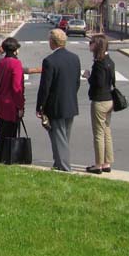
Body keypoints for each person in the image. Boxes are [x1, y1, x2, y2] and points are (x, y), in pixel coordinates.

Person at [35, 28, 81, 171]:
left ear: (52, 42)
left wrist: (40, 106)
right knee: (64, 137)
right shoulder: (75, 58)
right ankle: (58, 162)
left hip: (56, 105)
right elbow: (77, 82)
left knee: (59, 137)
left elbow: (45, 87)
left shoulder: (49, 61)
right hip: (70, 102)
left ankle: (64, 167)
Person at [83, 34, 114, 174]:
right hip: (109, 99)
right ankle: (107, 162)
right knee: (107, 131)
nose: (90, 45)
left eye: (92, 43)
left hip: (100, 100)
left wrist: (88, 76)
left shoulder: (99, 63)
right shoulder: (109, 60)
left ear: (97, 45)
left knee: (98, 134)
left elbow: (98, 83)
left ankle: (98, 164)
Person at [0, 37, 25, 163]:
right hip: (11, 104)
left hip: (1, 101)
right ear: (15, 50)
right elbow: (17, 87)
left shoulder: (2, 62)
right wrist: (20, 106)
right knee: (11, 133)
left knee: (2, 131)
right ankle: (9, 157)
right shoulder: (16, 63)